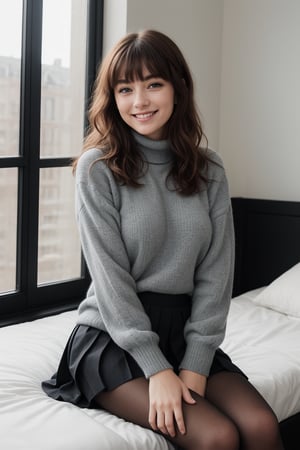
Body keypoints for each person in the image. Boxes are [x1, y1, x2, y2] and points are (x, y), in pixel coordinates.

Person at [42, 29, 284, 450]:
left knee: (261, 425)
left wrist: (194, 364)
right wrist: (156, 369)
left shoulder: (209, 169)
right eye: (125, 88)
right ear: (112, 98)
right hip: (113, 337)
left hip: (186, 330)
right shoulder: (98, 168)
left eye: (154, 84)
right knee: (217, 437)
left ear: (178, 88)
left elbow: (216, 273)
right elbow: (111, 280)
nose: (140, 101)